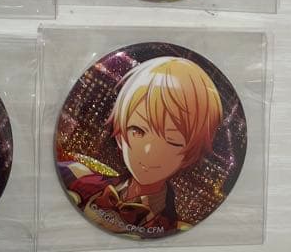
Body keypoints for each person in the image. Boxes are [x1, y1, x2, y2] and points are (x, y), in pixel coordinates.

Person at [59, 56, 223, 236]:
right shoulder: (74, 177)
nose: (148, 151)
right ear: (120, 134)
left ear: (188, 156)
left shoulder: (178, 231)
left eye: (172, 141)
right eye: (137, 131)